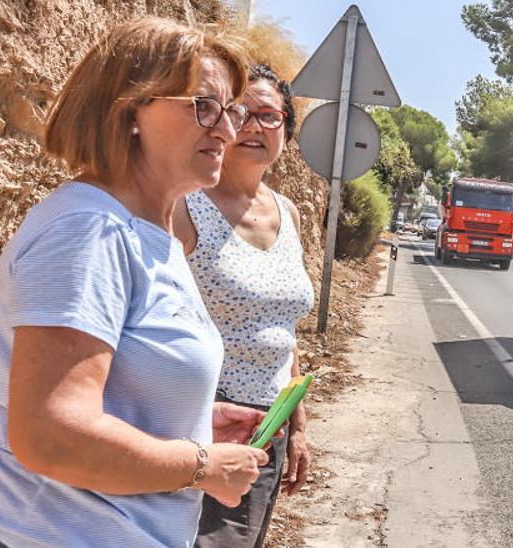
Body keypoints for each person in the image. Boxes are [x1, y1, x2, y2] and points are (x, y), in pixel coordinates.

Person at [0, 18, 269, 547]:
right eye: (204, 106)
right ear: (129, 108)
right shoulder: (89, 233)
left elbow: (108, 394)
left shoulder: (149, 231)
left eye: (233, 111)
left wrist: (190, 420)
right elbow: (51, 436)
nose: (227, 130)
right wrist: (202, 464)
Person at [174, 64, 315, 547]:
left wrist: (296, 427)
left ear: (287, 132)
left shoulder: (289, 212)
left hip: (268, 428)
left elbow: (285, 331)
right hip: (203, 422)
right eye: (243, 113)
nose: (256, 126)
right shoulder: (185, 207)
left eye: (270, 116)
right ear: (224, 122)